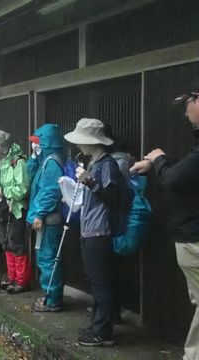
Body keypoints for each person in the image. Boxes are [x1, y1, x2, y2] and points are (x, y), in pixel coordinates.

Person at [131, 84, 199, 360]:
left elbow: (175, 178)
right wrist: (159, 164)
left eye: (190, 101)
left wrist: (158, 159)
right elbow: (185, 170)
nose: (185, 109)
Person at [64, 118, 129, 347]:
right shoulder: (95, 162)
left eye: (81, 141)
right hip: (91, 230)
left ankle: (103, 333)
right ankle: (98, 328)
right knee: (96, 282)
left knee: (102, 284)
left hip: (100, 232)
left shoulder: (107, 164)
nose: (79, 145)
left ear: (91, 142)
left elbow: (112, 196)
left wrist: (89, 182)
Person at [0, 130, 32, 294]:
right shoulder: (2, 161)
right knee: (6, 243)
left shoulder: (19, 163)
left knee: (16, 244)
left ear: (1, 148)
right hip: (4, 208)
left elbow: (23, 189)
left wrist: (2, 191)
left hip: (16, 209)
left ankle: (22, 281)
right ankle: (12, 278)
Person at [26, 124, 64, 312]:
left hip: (48, 219)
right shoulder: (46, 161)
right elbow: (29, 174)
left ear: (47, 142)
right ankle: (50, 296)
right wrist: (33, 157)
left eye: (37, 143)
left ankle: (52, 300)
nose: (35, 146)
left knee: (48, 258)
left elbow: (50, 191)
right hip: (46, 218)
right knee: (46, 257)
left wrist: (39, 213)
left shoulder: (51, 163)